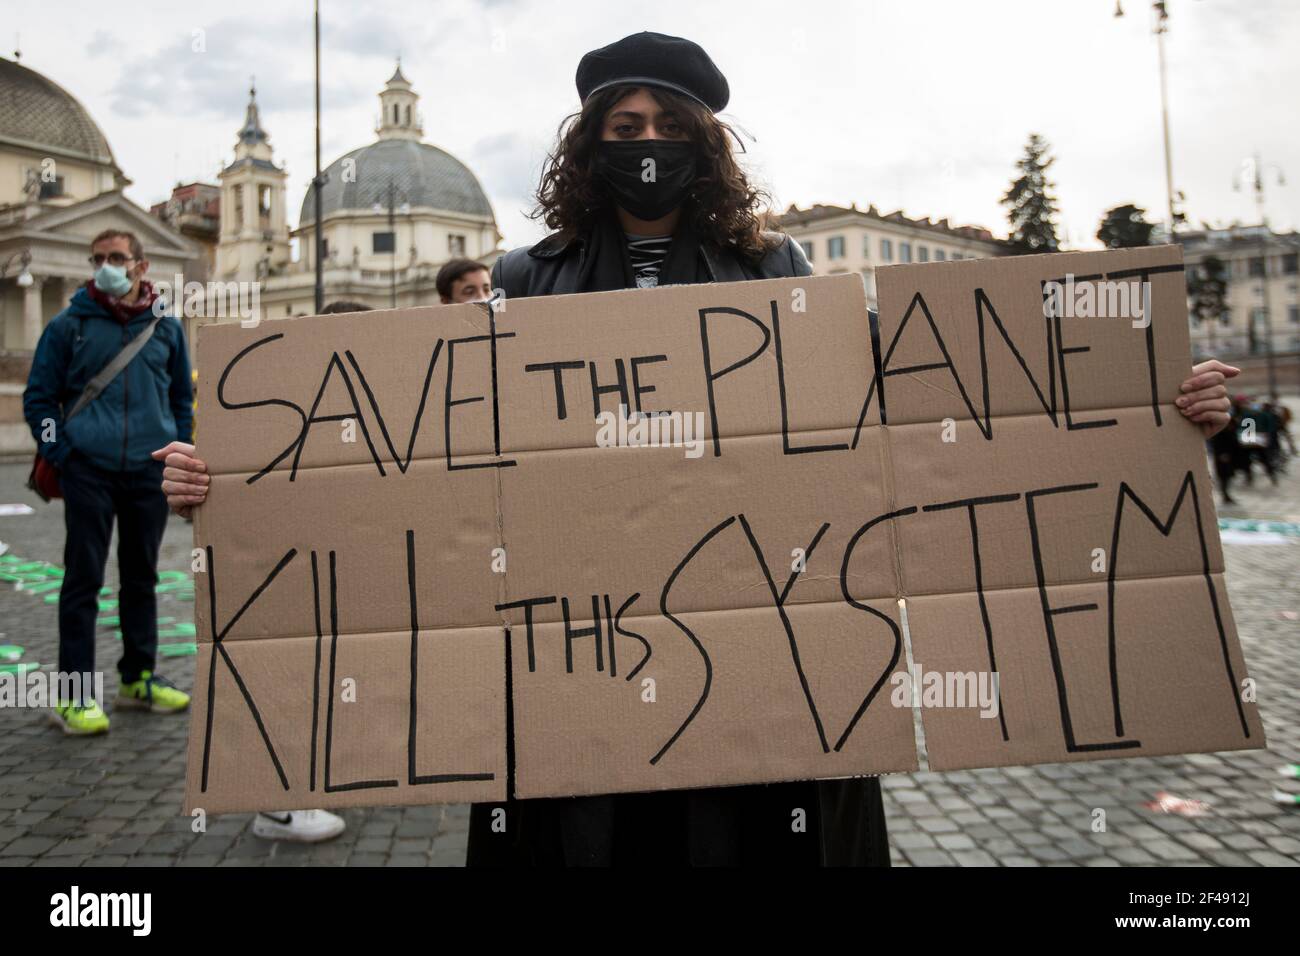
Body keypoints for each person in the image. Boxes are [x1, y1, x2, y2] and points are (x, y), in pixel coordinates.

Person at [154, 32, 1241, 867]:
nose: (641, 145)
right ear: (590, 146)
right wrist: (244, 481)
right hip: (579, 640)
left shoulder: (775, 267)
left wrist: (1156, 407)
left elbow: (913, 422)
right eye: (618, 127)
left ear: (700, 140)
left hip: (767, 623)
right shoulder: (530, 278)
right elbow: (432, 456)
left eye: (658, 124)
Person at [23, 229, 194, 735]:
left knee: (142, 577)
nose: (105, 266)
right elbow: (39, 399)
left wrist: (175, 448)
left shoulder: (166, 326)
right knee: (83, 579)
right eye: (98, 258)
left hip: (147, 470)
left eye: (116, 258)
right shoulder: (68, 325)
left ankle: (138, 680)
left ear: (140, 266)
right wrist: (61, 450)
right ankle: (75, 697)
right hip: (88, 470)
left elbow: (180, 398)